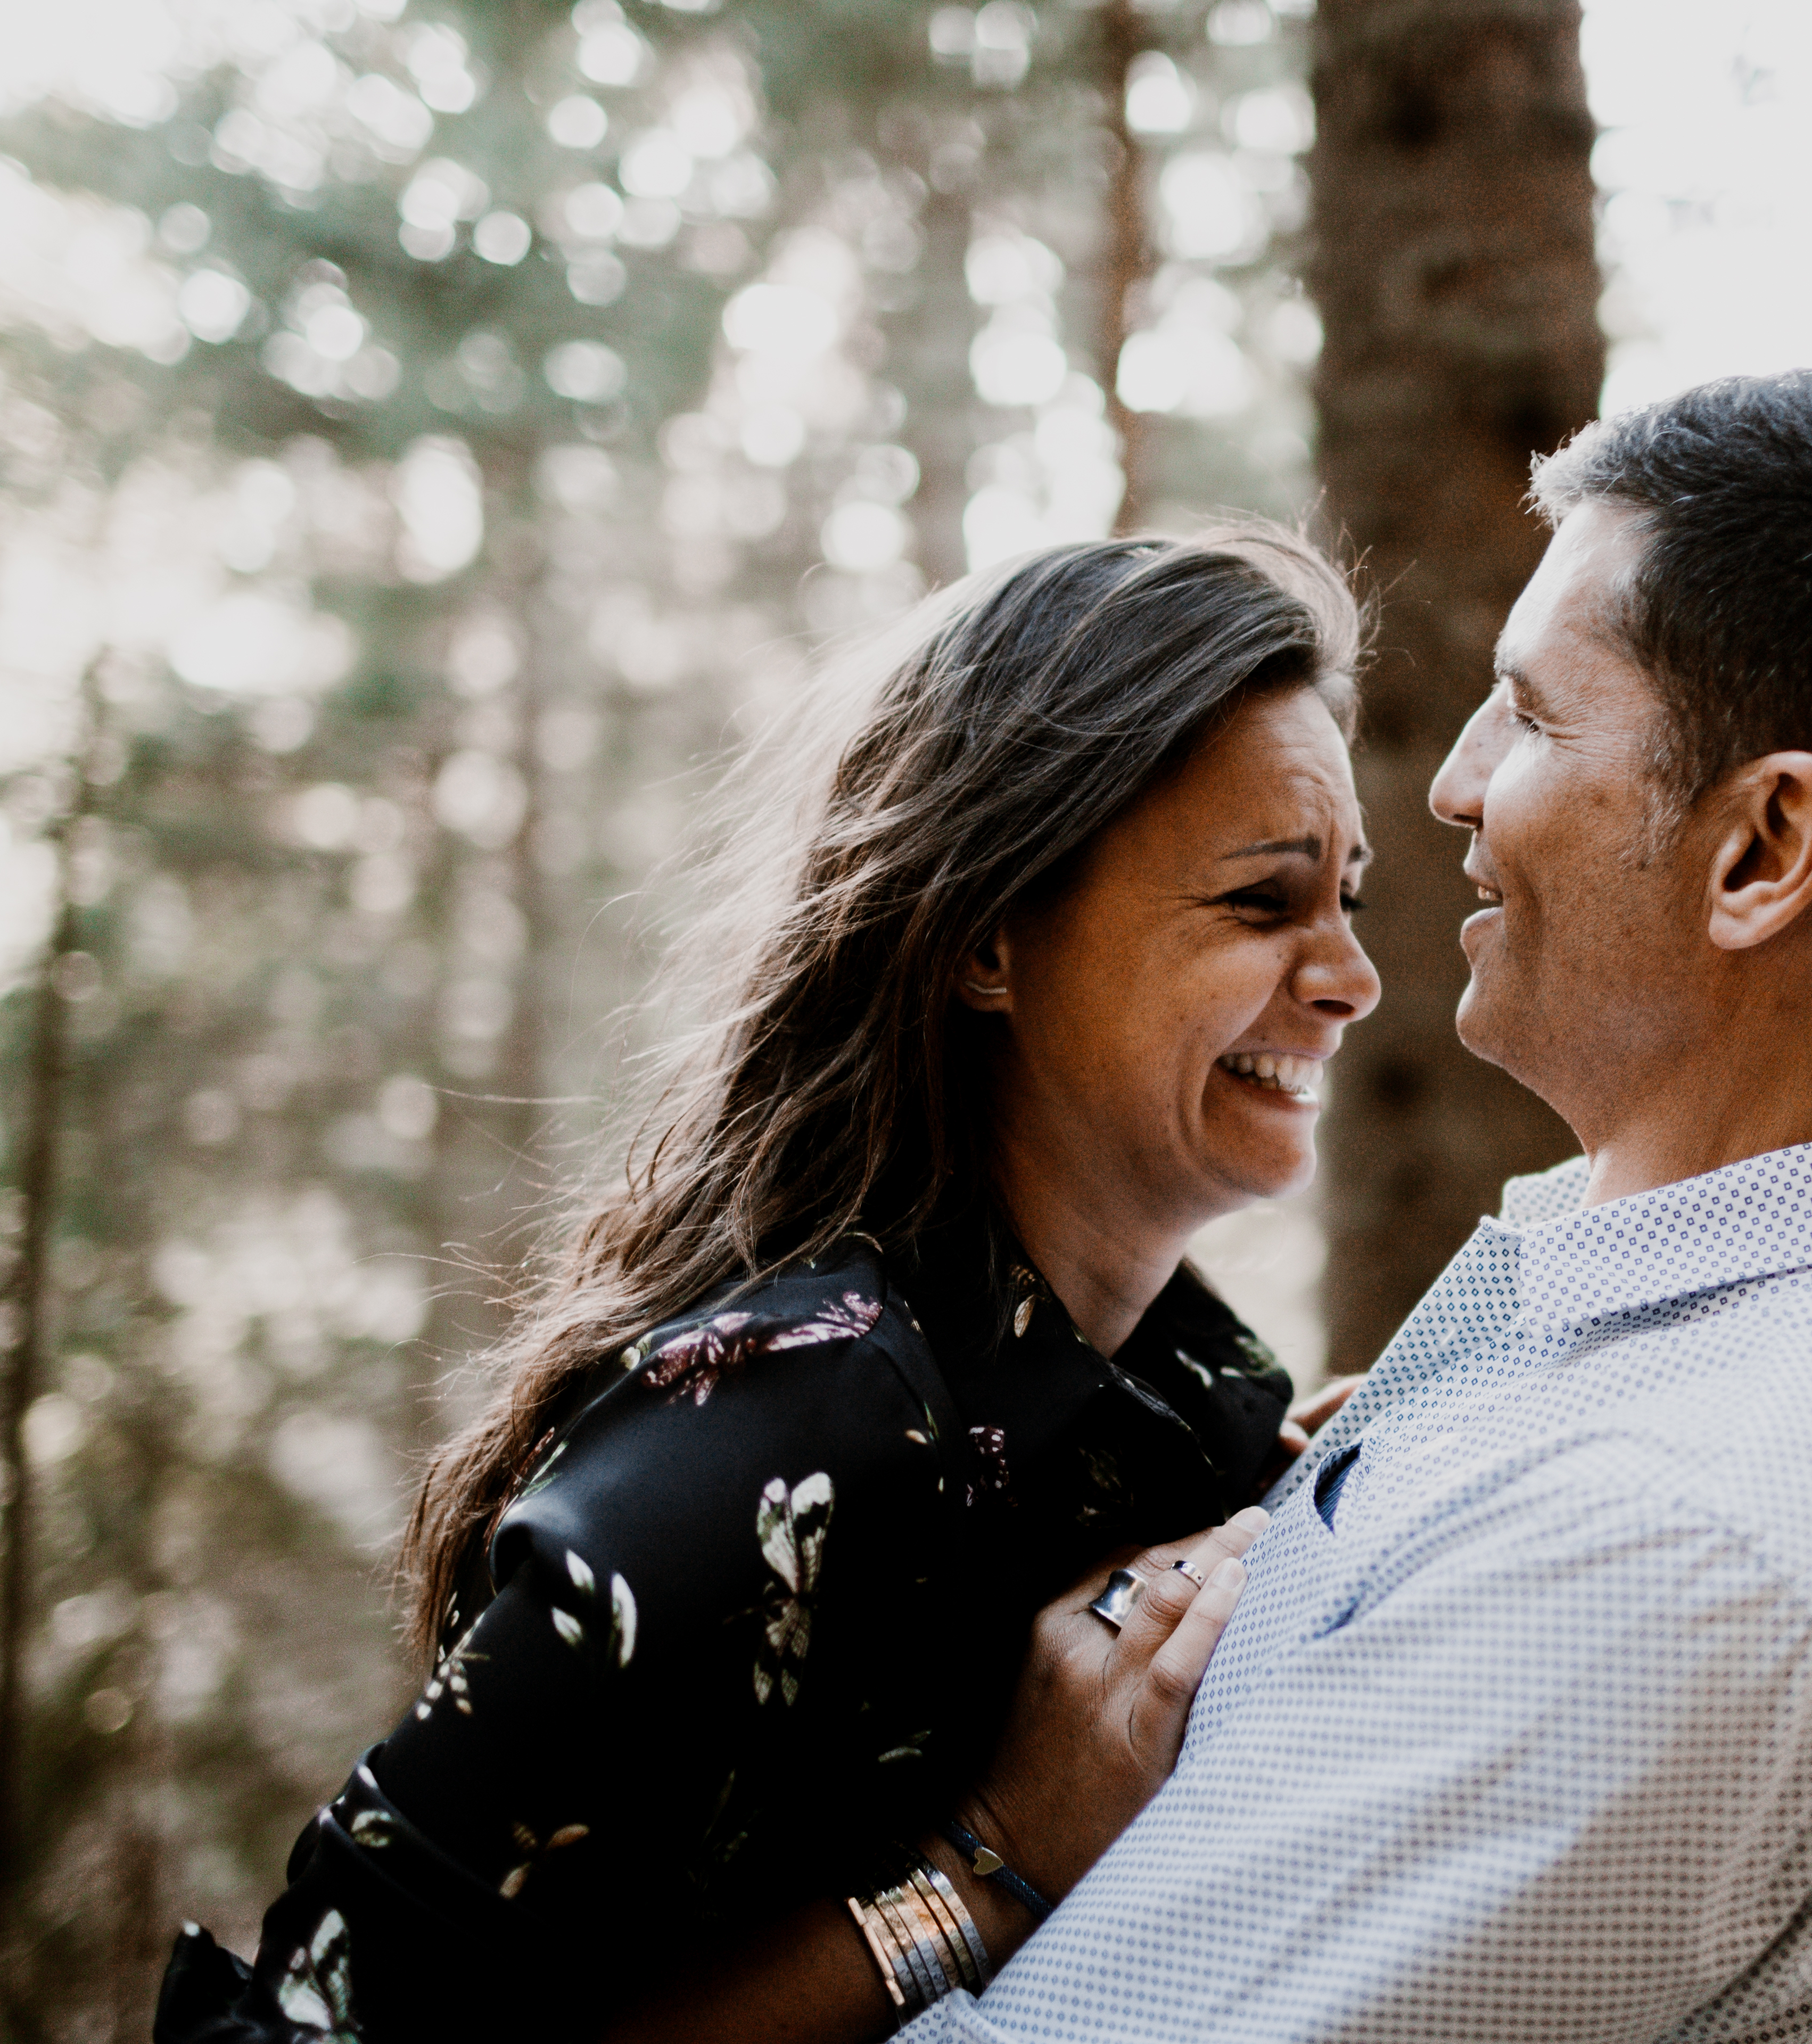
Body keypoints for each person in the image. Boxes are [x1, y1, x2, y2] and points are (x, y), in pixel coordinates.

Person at [838, 369, 1812, 2042]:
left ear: (1764, 848)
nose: (1455, 786)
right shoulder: (1666, 1358)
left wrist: (971, 1864)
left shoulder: (1672, 1547)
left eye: (1534, 717)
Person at [154, 528, 1381, 2043]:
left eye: (1352, 902)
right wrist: (982, 1865)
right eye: (1264, 905)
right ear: (988, 936)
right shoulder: (776, 1432)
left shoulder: (1192, 1394)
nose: (1348, 976)